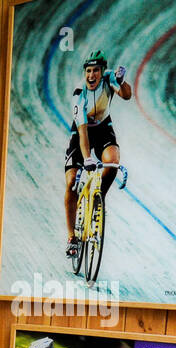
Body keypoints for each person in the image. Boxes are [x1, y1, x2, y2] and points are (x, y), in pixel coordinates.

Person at [64, 50, 132, 259]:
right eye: (88, 71)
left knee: (112, 162)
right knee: (71, 182)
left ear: (102, 71)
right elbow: (83, 133)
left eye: (95, 71)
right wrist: (87, 159)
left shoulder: (109, 77)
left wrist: (122, 81)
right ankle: (71, 237)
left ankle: (98, 197)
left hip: (103, 127)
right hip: (82, 131)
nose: (91, 75)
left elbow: (126, 95)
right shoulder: (79, 95)